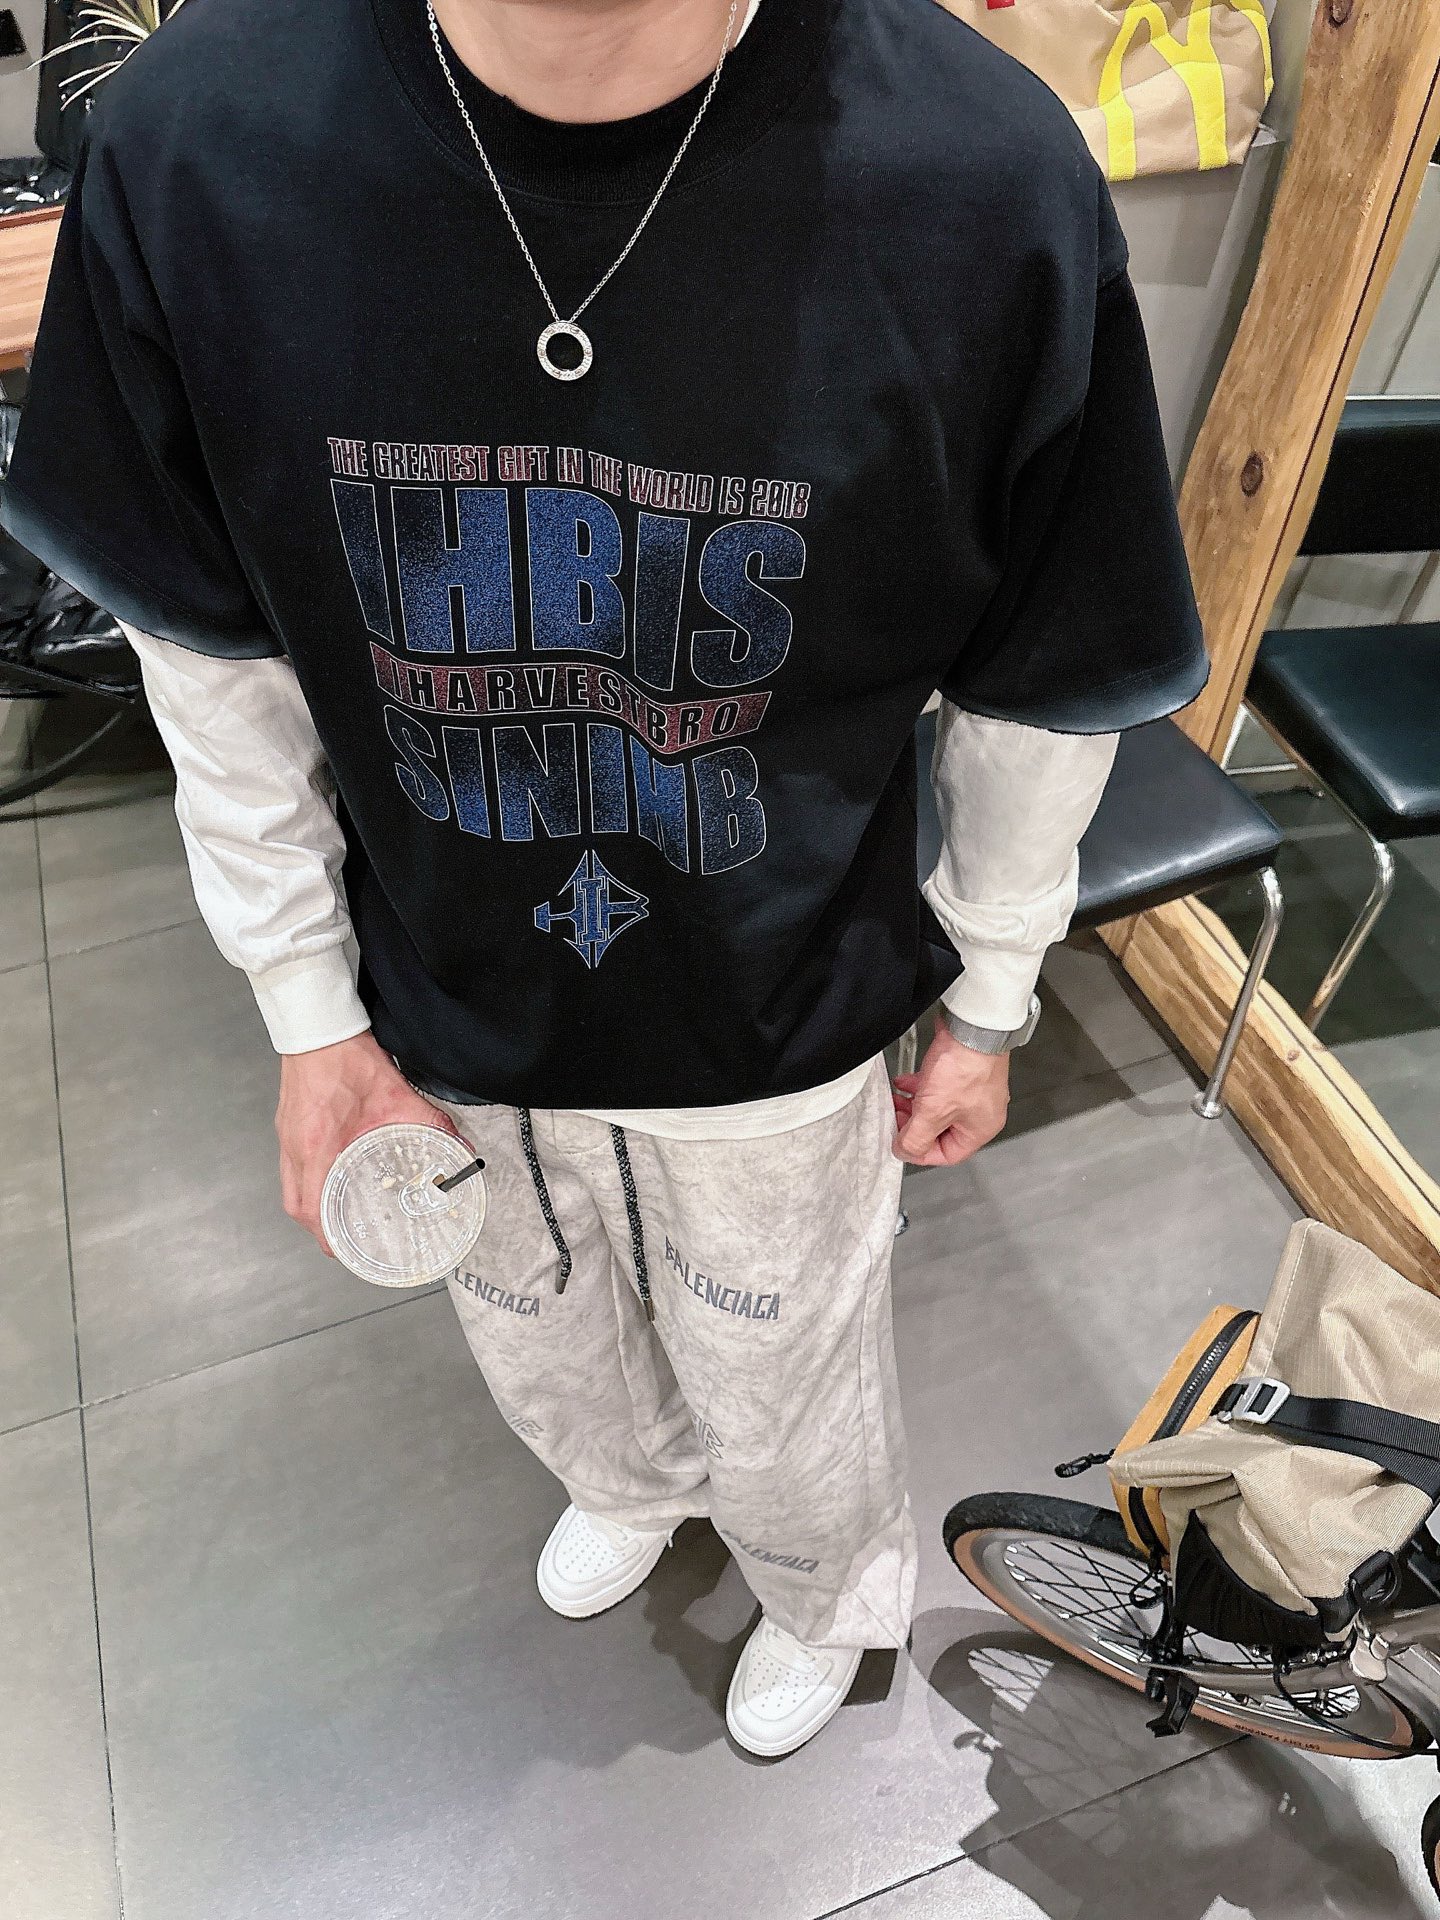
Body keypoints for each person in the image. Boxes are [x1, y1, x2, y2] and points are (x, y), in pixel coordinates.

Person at [2, 0, 1206, 1757]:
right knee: (533, 1318)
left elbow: (1042, 676)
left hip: (778, 995)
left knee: (782, 1362)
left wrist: (994, 992)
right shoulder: (200, 142)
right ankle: (634, 1482)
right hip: (441, 977)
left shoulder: (982, 177)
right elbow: (210, 652)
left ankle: (819, 1585)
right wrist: (305, 1009)